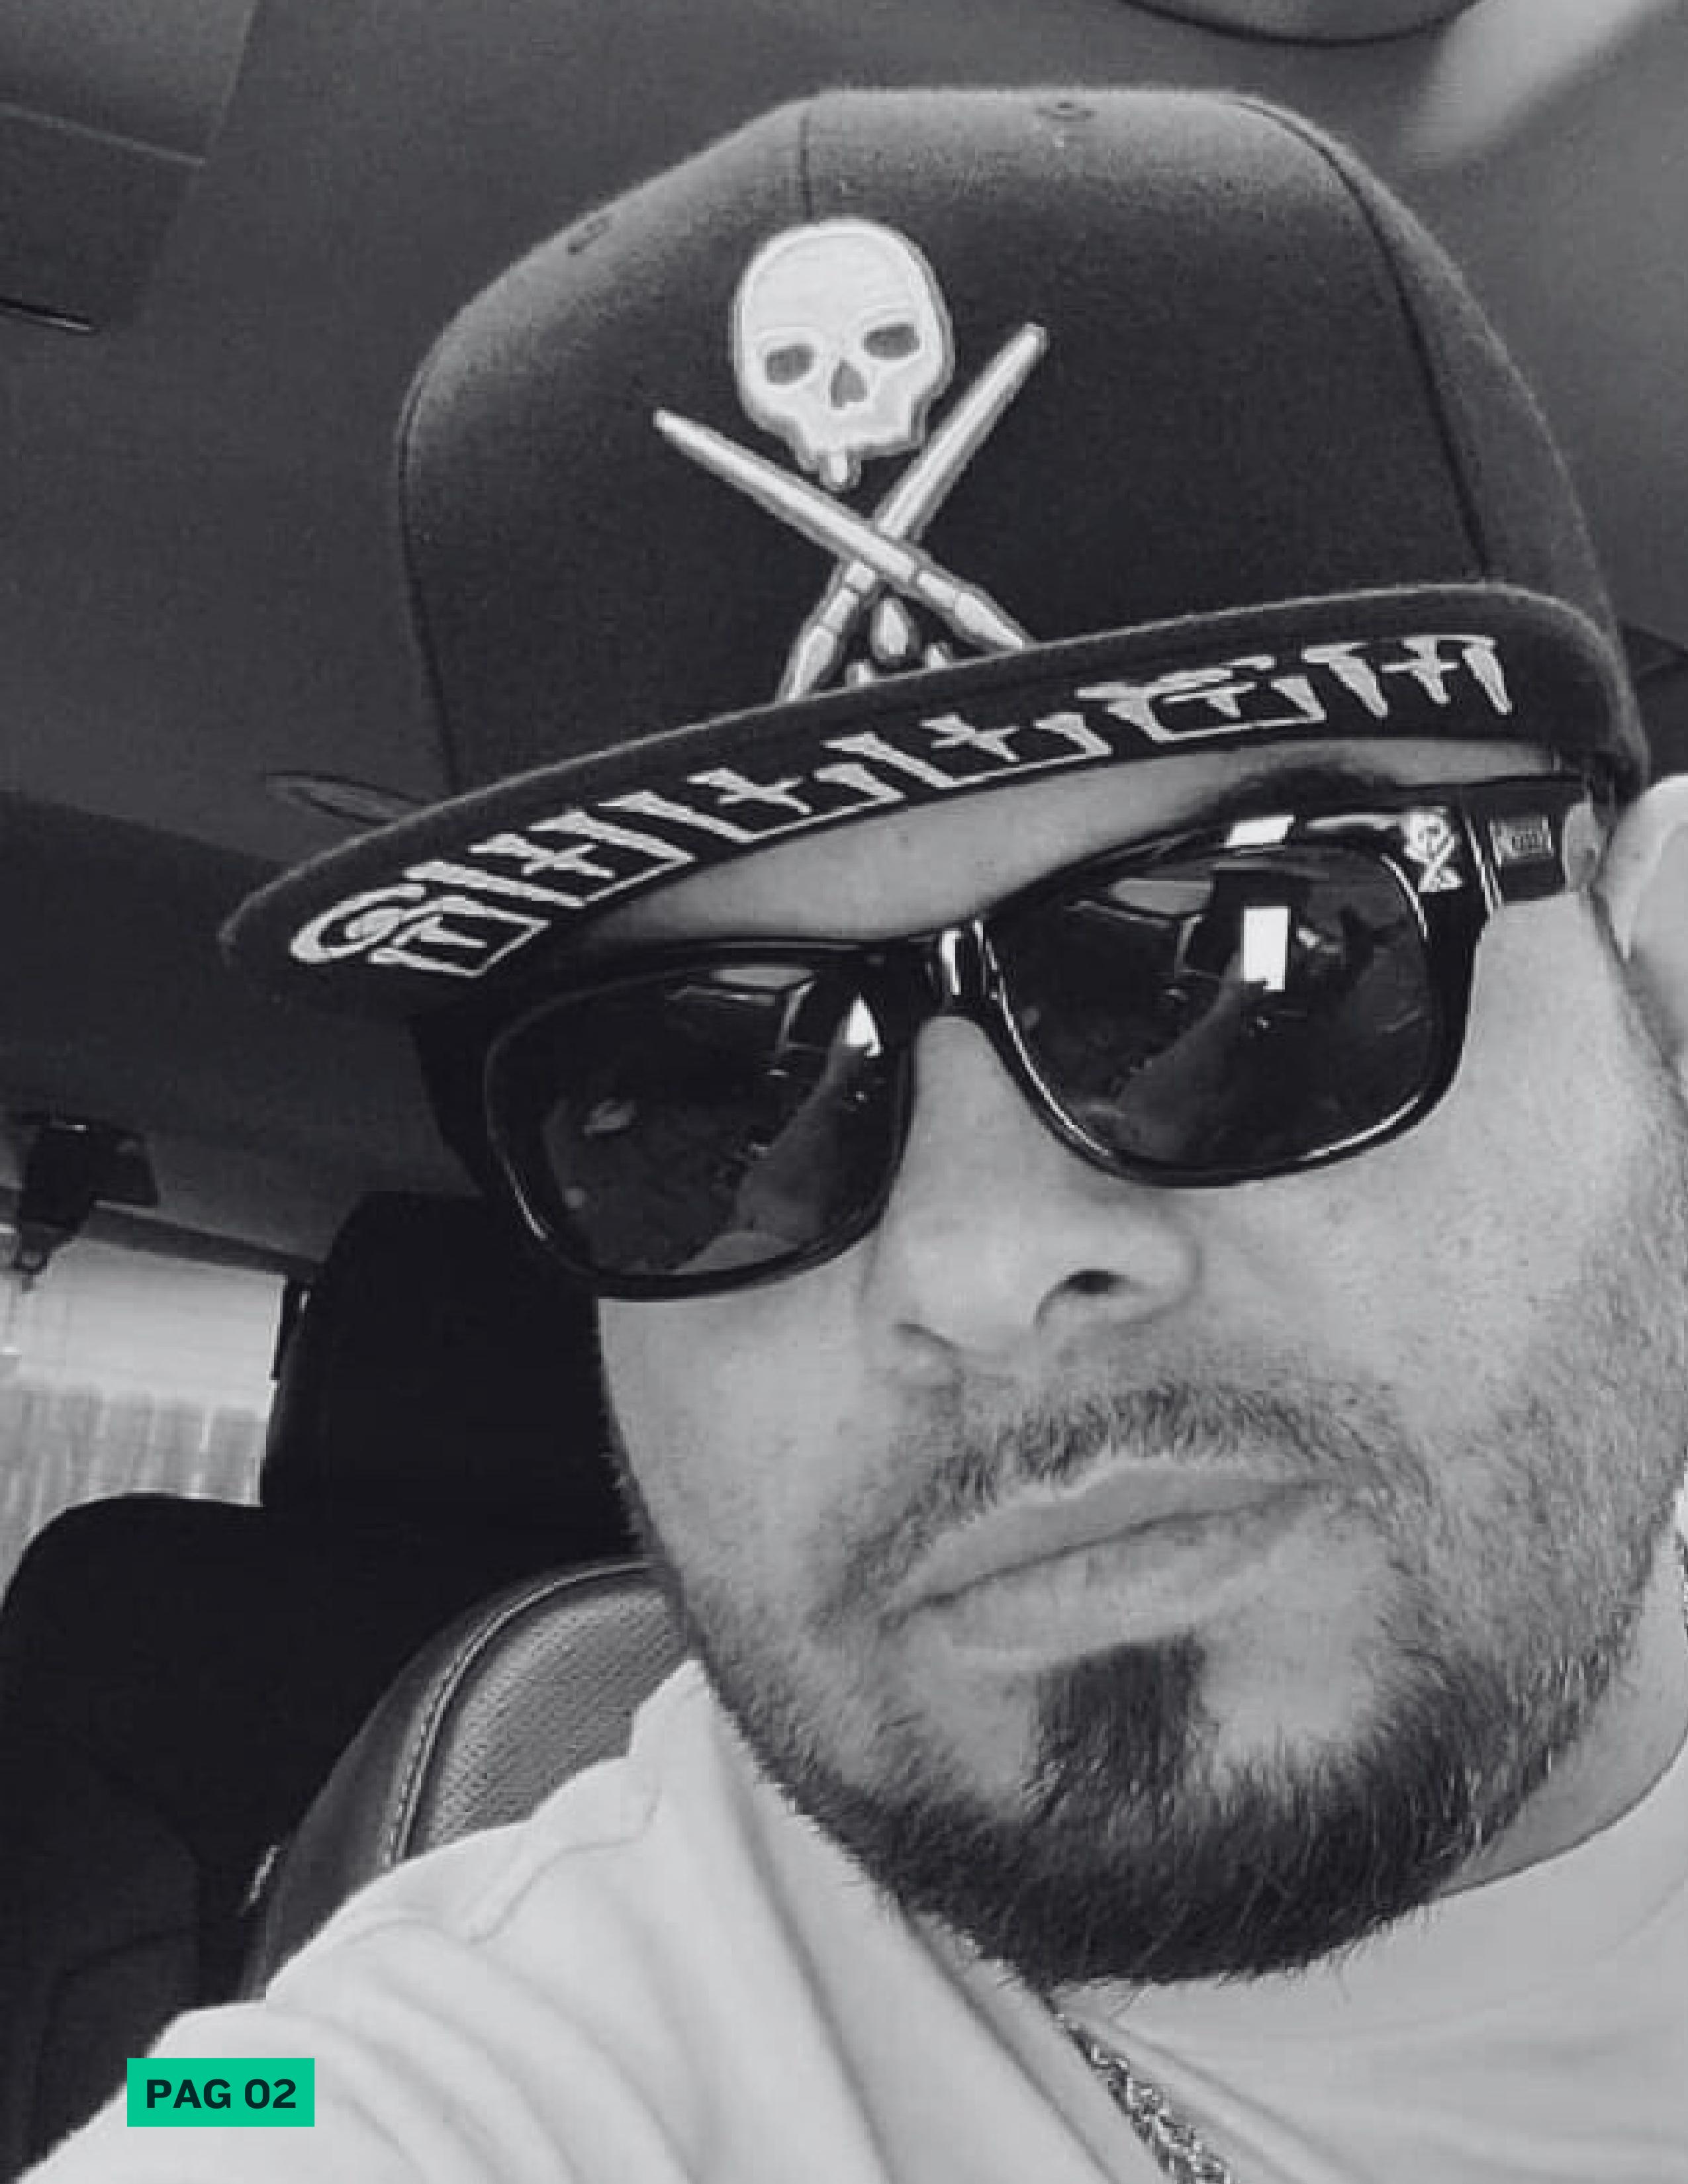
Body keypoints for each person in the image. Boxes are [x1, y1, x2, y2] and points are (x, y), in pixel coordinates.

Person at [30, 83, 1688, 2184]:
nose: (977, 1265)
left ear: (1658, 982)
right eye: (706, 1092)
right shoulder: (442, 2070)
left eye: (1247, 971)